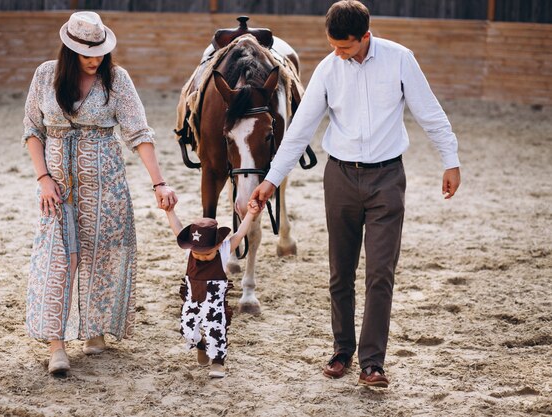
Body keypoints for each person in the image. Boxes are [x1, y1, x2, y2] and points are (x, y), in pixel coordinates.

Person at [250, 0, 461, 388]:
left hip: (387, 178)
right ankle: (342, 350)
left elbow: (429, 111)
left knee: (381, 272)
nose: (337, 52)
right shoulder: (329, 69)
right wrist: (271, 180)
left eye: (344, 46)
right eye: (332, 45)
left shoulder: (400, 60)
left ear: (366, 36)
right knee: (340, 272)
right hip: (341, 177)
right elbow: (300, 130)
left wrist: (451, 160)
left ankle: (373, 362)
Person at [22, 11, 178, 375]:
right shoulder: (46, 75)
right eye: (88, 53)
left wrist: (159, 182)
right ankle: (56, 345)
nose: (96, 60)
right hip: (57, 187)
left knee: (104, 253)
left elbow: (139, 133)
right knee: (57, 259)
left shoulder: (117, 79)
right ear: (70, 50)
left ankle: (94, 330)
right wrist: (43, 177)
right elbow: (32, 129)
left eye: (101, 53)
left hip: (106, 182)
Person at [165, 200, 263, 378]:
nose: (201, 257)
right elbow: (177, 229)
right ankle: (201, 345)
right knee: (187, 329)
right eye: (197, 254)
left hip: (214, 303)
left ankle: (218, 362)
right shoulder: (190, 250)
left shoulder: (224, 250)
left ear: (217, 246)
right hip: (192, 299)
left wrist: (250, 214)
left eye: (207, 253)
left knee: (216, 328)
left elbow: (240, 234)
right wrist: (170, 211)